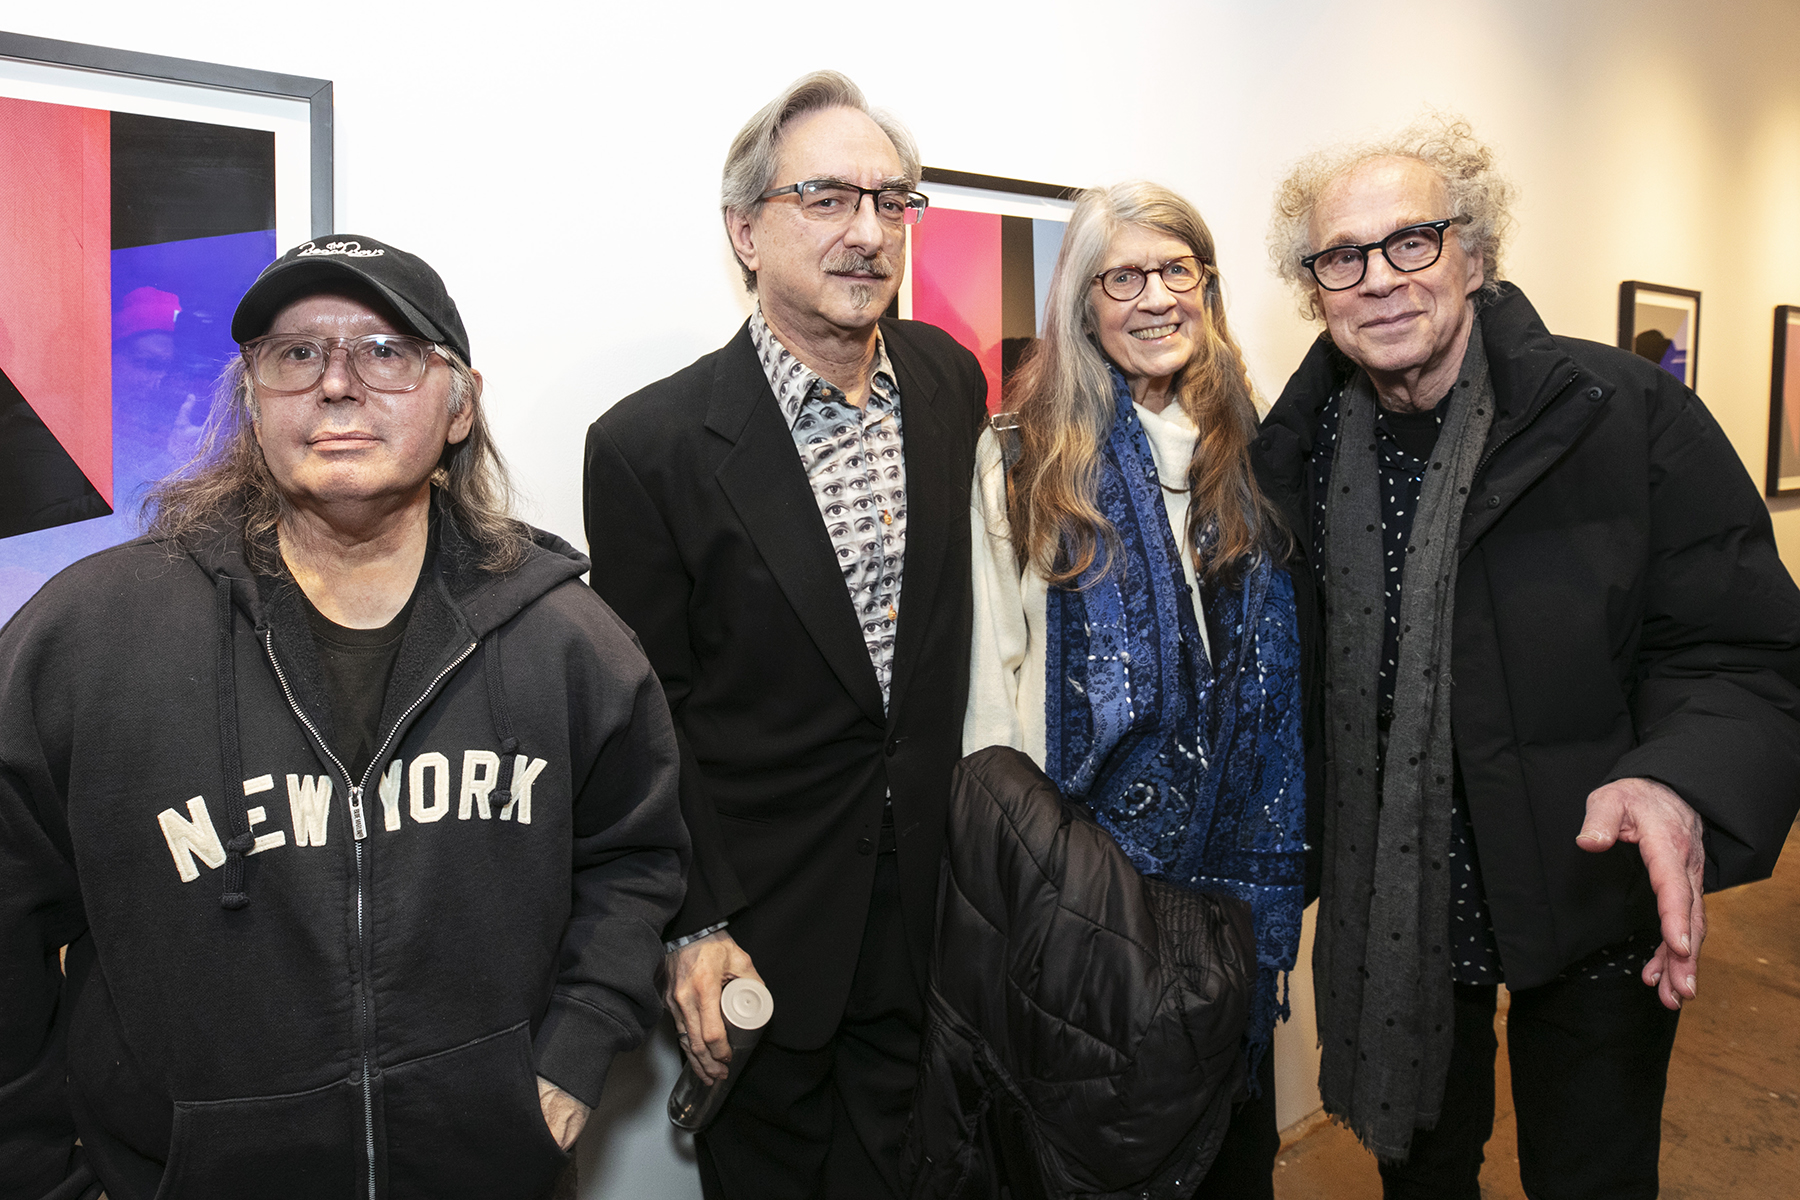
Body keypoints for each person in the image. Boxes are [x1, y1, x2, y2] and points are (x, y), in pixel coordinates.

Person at [0, 235, 690, 1200]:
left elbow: (637, 859)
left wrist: (575, 1047)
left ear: (459, 403)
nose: (335, 384)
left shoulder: (567, 639)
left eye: (385, 351)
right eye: (295, 354)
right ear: (253, 399)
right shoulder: (87, 641)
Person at [1258, 116, 1800, 1199]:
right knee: (1419, 1173)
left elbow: (1742, 647)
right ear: (1315, 289)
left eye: (1413, 240)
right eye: (1342, 257)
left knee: (1589, 1177)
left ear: (1475, 251)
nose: (1379, 279)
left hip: (1586, 894)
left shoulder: (1624, 415)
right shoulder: (1299, 454)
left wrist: (1675, 780)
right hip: (1397, 910)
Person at [583, 71, 985, 1198]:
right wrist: (693, 924)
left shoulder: (950, 383)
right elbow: (645, 717)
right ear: (746, 231)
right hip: (763, 944)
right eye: (826, 198)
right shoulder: (649, 446)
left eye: (891, 201)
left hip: (936, 920)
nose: (867, 232)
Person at [960, 181, 1315, 1197]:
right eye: (1125, 277)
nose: (1156, 297)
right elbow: (993, 696)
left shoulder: (1247, 452)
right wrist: (1034, 899)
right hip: (1089, 910)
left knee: (1229, 1159)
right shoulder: (1023, 460)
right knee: (1102, 1159)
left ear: (1206, 286)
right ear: (1083, 304)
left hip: (1232, 904)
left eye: (1178, 270)